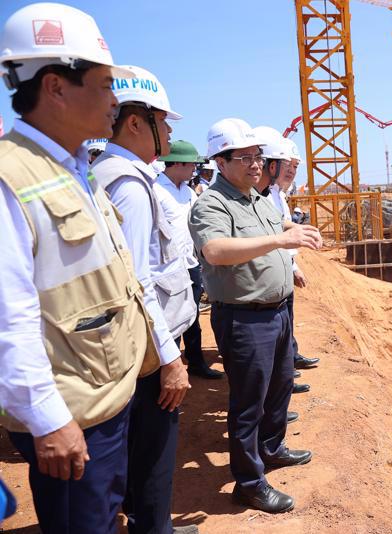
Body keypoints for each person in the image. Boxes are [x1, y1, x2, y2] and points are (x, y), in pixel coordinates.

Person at [0, 4, 158, 533]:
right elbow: (9, 316)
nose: (115, 100)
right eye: (105, 84)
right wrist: (47, 420)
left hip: (103, 399)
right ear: (56, 87)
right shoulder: (10, 177)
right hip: (71, 418)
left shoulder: (77, 168)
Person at [189, 118, 323, 514]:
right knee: (248, 404)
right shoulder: (211, 204)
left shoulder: (256, 199)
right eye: (244, 157)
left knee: (279, 386)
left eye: (257, 157)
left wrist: (291, 227)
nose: (254, 164)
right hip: (245, 318)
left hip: (277, 313)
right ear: (220, 161)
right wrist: (282, 239)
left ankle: (272, 448)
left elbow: (272, 223)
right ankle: (248, 484)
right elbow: (215, 251)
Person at [92, 65, 195, 534]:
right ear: (135, 123)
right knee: (154, 455)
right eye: (163, 120)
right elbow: (139, 283)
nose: (170, 132)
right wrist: (170, 358)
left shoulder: (116, 174)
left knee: (139, 450)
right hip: (152, 350)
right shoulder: (130, 187)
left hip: (140, 345)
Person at [253, 126, 316, 395]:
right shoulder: (264, 196)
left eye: (295, 166)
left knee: (285, 326)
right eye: (287, 165)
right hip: (264, 283)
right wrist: (291, 266)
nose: (291, 171)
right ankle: (280, 383)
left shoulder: (276, 195)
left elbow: (280, 226)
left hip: (279, 273)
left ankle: (286, 371)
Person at [155, 140, 224, 379]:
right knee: (170, 321)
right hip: (167, 268)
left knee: (192, 316)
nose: (194, 170)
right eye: (191, 165)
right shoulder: (156, 191)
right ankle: (168, 368)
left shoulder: (187, 192)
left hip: (190, 265)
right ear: (178, 163)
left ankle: (195, 363)